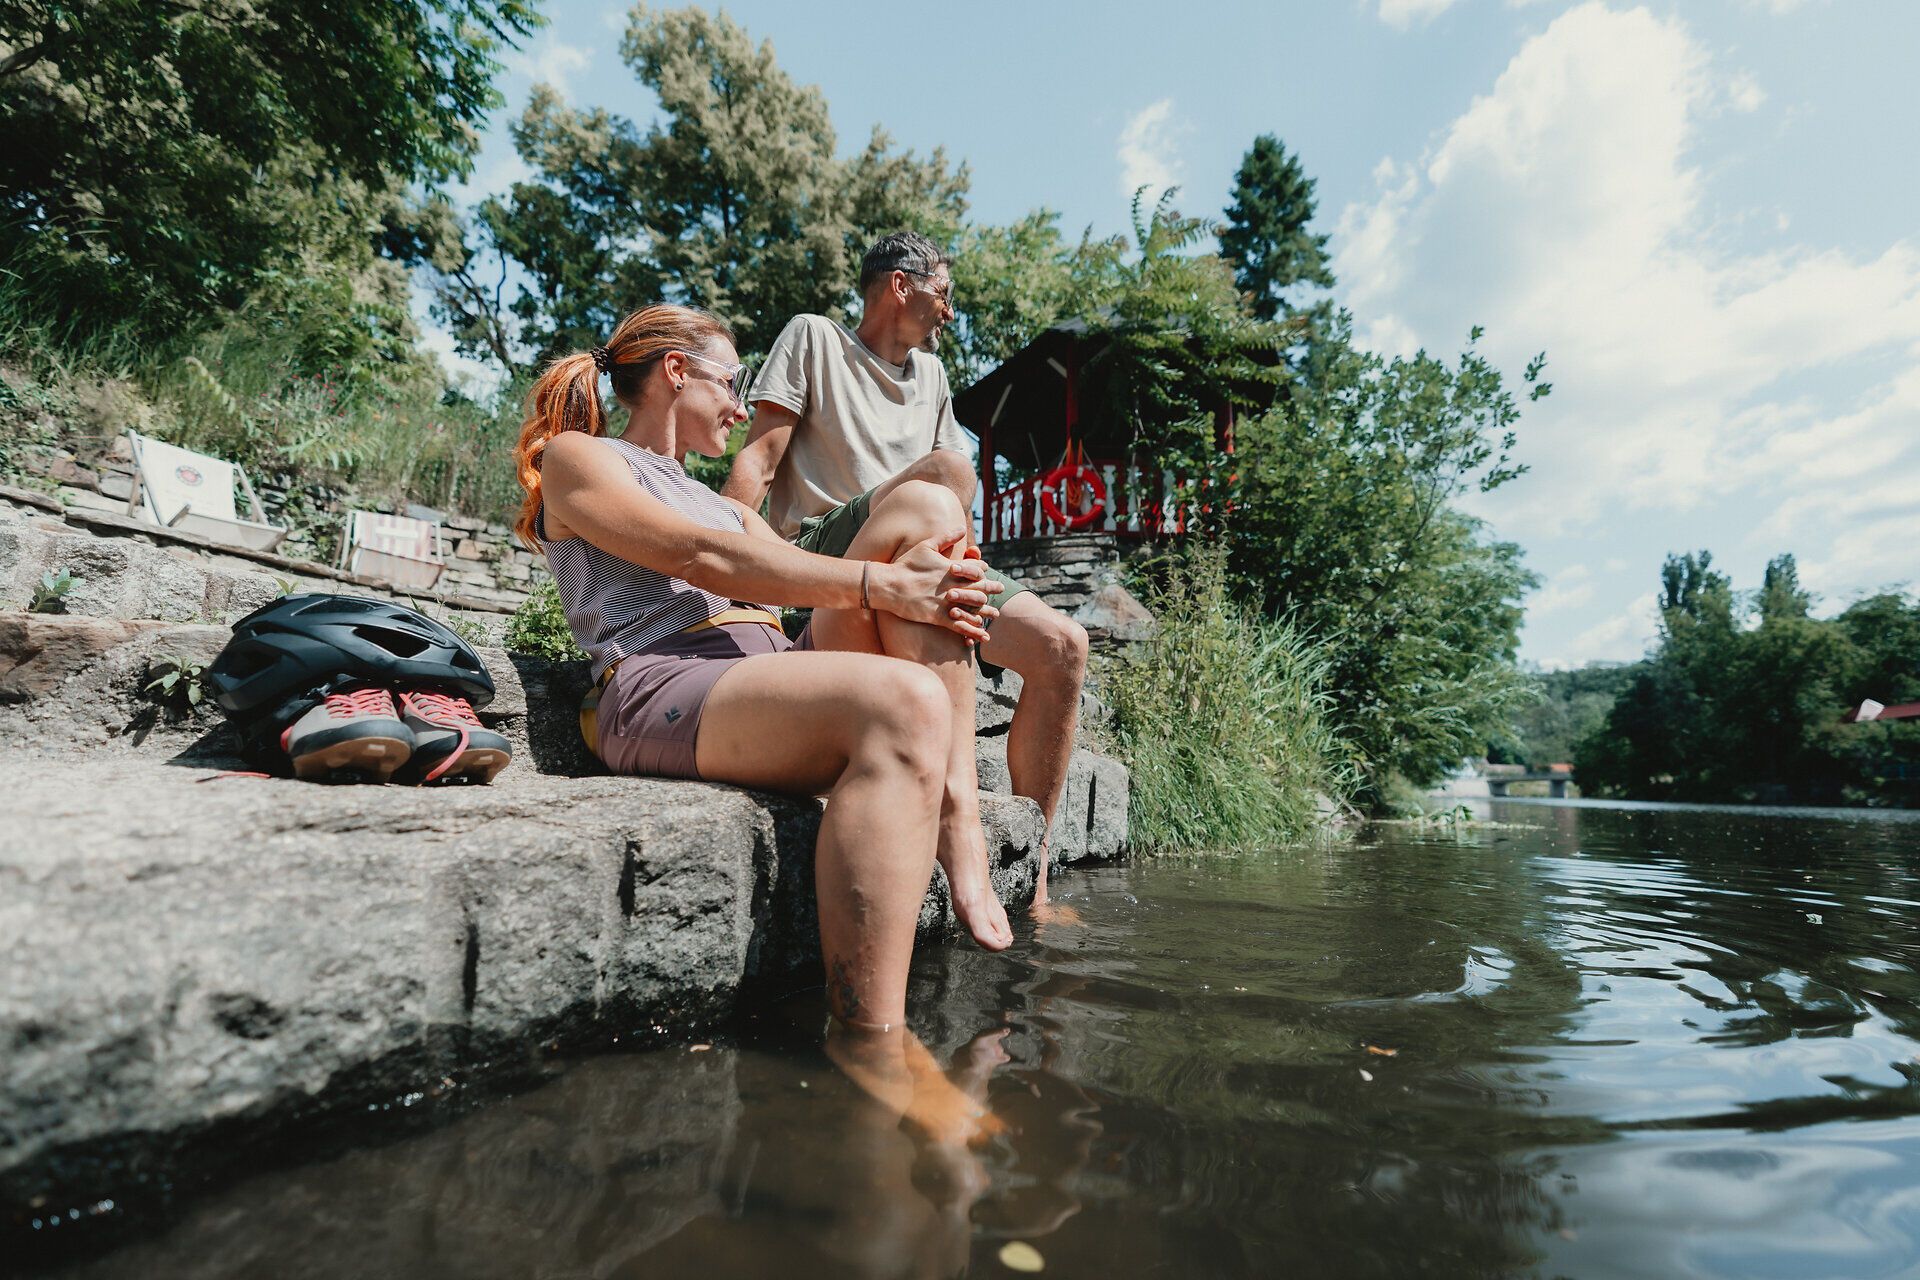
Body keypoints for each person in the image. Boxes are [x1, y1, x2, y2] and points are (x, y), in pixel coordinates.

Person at [513, 303, 1020, 1043]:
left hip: (768, 672)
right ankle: (873, 1042)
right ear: (675, 372)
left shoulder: (726, 508)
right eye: (730, 382)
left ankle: (959, 817)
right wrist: (883, 587)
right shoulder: (581, 459)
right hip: (662, 678)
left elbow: (778, 569)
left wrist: (911, 573)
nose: (741, 406)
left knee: (928, 503)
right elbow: (699, 559)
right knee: (904, 699)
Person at [723, 231, 1091, 909]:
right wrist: (717, 570)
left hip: (922, 546)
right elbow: (759, 461)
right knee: (951, 469)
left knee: (1064, 646)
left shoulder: (934, 378)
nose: (949, 312)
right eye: (943, 294)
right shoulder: (815, 338)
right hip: (826, 547)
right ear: (900, 284)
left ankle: (1031, 877)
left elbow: (951, 511)